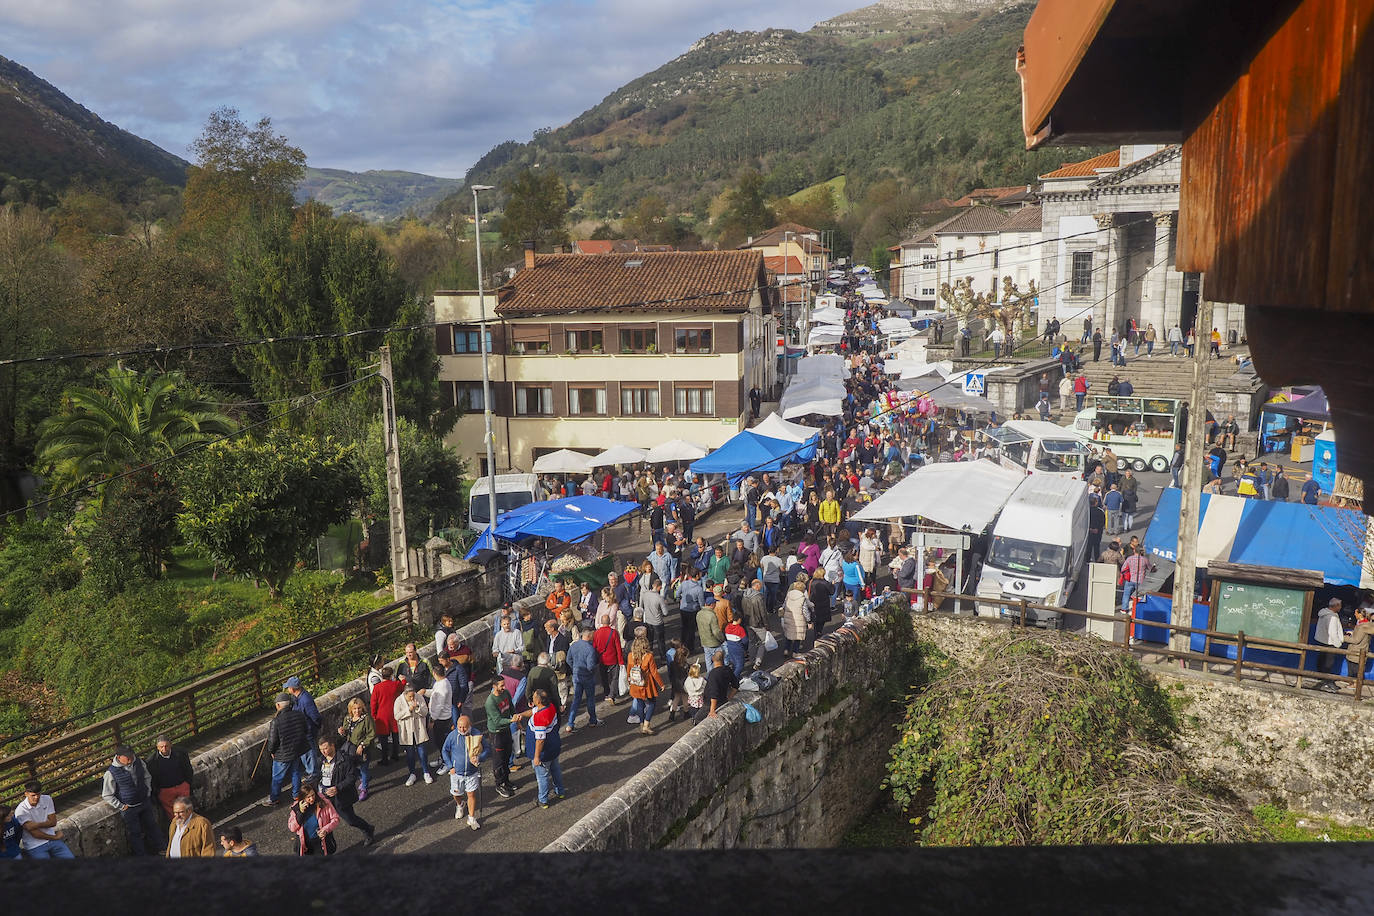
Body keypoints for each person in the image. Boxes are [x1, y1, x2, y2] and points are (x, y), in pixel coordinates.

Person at [101, 745, 161, 855]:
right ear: (119, 757)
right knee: (135, 832)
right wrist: (121, 806)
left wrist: (147, 792)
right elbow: (107, 794)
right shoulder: (111, 773)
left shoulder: (139, 762)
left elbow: (147, 777)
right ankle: (142, 856)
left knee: (152, 825)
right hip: (129, 808)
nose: (130, 759)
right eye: (127, 757)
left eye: (131, 756)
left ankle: (161, 848)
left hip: (144, 801)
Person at [317, 736, 375, 844]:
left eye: (325, 748)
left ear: (332, 745)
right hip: (325, 796)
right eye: (321, 749)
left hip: (341, 797)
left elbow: (351, 777)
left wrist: (338, 788)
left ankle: (367, 829)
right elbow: (318, 776)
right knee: (323, 822)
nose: (323, 752)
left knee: (350, 820)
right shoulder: (321, 760)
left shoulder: (344, 759)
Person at [519, 689, 565, 808]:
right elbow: (533, 711)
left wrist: (536, 756)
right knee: (555, 770)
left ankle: (543, 800)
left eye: (534, 697)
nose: (532, 698)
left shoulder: (540, 717)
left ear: (538, 701)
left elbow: (540, 740)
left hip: (544, 752)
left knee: (542, 776)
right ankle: (560, 791)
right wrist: (522, 715)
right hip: (554, 746)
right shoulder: (550, 707)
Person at [442, 715, 487, 830]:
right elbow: (445, 750)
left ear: (469, 725)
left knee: (471, 794)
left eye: (464, 727)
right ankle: (460, 804)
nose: (462, 729)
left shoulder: (477, 734)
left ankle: (471, 817)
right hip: (457, 773)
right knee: (456, 794)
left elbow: (487, 749)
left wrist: (480, 758)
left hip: (472, 772)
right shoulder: (452, 736)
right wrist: (450, 765)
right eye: (459, 727)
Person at [15, 780, 75, 858]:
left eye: (38, 794)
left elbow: (53, 822)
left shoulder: (47, 799)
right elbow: (35, 834)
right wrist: (55, 837)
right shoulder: (21, 810)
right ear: (26, 794)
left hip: (52, 840)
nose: (36, 797)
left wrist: (35, 825)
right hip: (35, 845)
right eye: (33, 795)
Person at [625, 627, 664, 735]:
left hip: (635, 683)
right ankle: (646, 724)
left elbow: (628, 670)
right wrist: (661, 684)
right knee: (652, 703)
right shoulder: (649, 656)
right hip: (647, 683)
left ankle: (642, 723)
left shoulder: (630, 656)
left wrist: (629, 681)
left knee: (640, 704)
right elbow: (654, 672)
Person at [147, 733, 194, 821]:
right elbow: (152, 779)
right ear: (157, 747)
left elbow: (188, 769)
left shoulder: (181, 753)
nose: (164, 749)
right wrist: (158, 792)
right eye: (161, 747)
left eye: (166, 746)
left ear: (170, 745)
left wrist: (187, 784)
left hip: (181, 786)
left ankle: (191, 827)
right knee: (173, 815)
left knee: (186, 809)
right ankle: (178, 830)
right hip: (166, 791)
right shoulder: (151, 761)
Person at [394, 685, 434, 786]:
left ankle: (426, 772)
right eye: (410, 697)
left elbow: (425, 712)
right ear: (405, 694)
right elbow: (397, 716)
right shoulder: (398, 701)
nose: (412, 698)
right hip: (407, 731)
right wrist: (408, 710)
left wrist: (417, 708)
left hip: (419, 730)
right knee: (410, 754)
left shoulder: (419, 698)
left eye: (413, 696)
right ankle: (412, 773)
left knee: (422, 752)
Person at [283, 676, 322, 778]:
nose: (287, 689)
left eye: (288, 687)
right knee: (306, 754)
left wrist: (313, 728)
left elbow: (315, 716)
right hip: (302, 732)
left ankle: (314, 773)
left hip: (307, 732)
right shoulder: (299, 698)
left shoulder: (305, 700)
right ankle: (311, 771)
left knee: (309, 754)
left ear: (292, 688)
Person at [338, 696, 376, 800]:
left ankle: (364, 788)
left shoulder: (366, 718)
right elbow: (346, 733)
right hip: (351, 748)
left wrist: (362, 745)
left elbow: (371, 734)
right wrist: (342, 732)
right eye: (354, 709)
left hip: (363, 749)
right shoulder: (348, 719)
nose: (356, 711)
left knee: (364, 768)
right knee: (351, 767)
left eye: (359, 708)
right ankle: (365, 778)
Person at [484, 679, 517, 798]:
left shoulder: (506, 693)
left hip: (506, 730)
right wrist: (511, 720)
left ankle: (506, 781)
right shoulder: (490, 702)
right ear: (494, 686)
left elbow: (511, 707)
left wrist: (515, 717)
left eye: (504, 684)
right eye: (501, 685)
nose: (504, 687)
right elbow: (497, 721)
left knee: (507, 756)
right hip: (496, 733)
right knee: (498, 760)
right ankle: (499, 784)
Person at [287, 783, 339, 856]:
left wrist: (326, 830)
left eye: (313, 795)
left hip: (321, 843)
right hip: (306, 844)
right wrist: (300, 813)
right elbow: (292, 828)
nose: (311, 799)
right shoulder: (296, 809)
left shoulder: (324, 803)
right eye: (308, 797)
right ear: (303, 798)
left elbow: (335, 819)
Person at [369, 666, 403, 765]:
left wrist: (374, 715)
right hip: (394, 713)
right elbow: (402, 687)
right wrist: (403, 680)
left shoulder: (377, 687)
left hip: (382, 715)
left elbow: (373, 703)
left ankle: (385, 758)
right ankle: (395, 754)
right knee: (395, 735)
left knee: (383, 739)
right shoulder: (395, 684)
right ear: (391, 675)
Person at [696, 650, 739, 723]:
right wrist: (729, 697)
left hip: (710, 704)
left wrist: (712, 711)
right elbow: (736, 685)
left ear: (713, 659)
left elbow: (714, 693)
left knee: (697, 718)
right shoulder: (727, 670)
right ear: (723, 658)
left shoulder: (713, 674)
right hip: (723, 699)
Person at [427, 662, 454, 772]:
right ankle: (443, 758)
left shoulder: (442, 686)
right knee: (440, 741)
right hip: (441, 717)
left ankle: (447, 762)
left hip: (442, 719)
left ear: (434, 673)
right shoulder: (441, 682)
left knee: (441, 741)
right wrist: (425, 692)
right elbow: (434, 693)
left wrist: (432, 719)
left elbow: (439, 705)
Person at [593, 614, 625, 705]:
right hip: (613, 658)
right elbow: (618, 647)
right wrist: (621, 661)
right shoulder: (614, 632)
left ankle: (607, 693)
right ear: (610, 622)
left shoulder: (597, 633)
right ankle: (612, 695)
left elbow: (594, 647)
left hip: (602, 659)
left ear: (601, 622)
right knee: (614, 678)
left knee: (604, 678)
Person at [1314, 598, 1345, 688]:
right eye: (1340, 605)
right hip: (1330, 642)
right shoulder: (1333, 617)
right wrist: (1338, 644)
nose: (1341, 607)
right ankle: (1327, 681)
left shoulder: (1323, 614)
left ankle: (1320, 678)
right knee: (1328, 663)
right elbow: (1332, 633)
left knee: (1321, 660)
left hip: (1321, 640)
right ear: (1335, 606)